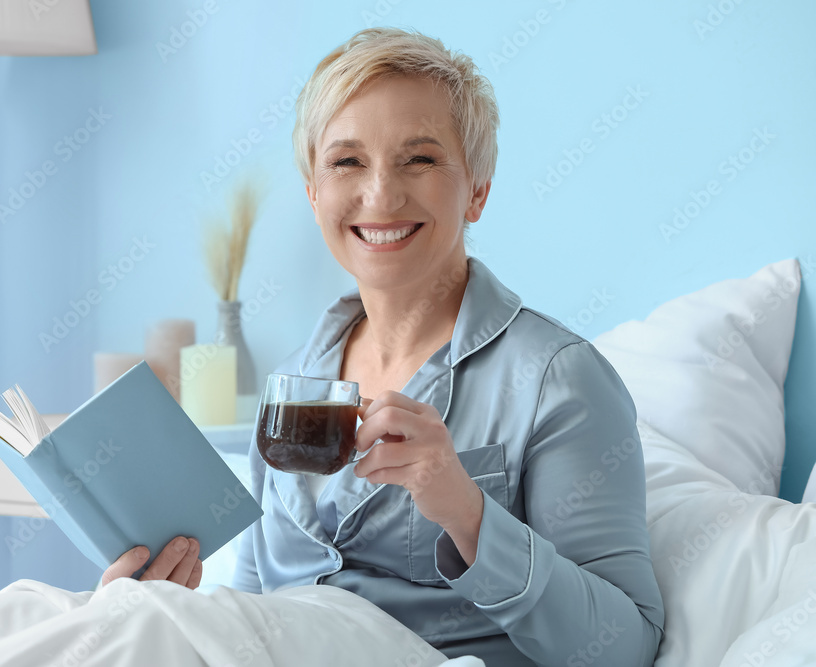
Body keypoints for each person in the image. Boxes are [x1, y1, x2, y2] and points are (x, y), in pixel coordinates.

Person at [108, 26, 665, 666]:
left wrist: (468, 512)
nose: (381, 195)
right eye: (347, 162)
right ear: (315, 192)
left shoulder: (558, 380)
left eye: (420, 159)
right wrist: (158, 606)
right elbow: (250, 608)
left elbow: (627, 649)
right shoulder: (293, 384)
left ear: (478, 189)